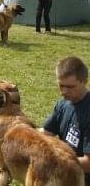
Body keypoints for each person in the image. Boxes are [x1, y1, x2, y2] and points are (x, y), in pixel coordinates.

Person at [43, 56, 90, 185]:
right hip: (65, 172)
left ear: (84, 81)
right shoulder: (63, 104)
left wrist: (55, 161)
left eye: (70, 87)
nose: (64, 91)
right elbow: (46, 133)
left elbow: (88, 163)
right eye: (61, 85)